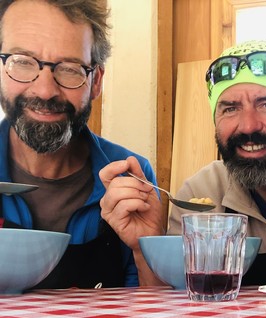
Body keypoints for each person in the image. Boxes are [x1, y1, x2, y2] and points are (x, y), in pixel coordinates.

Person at [101, 40, 266, 285]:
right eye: (230, 109)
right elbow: (172, 306)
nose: (248, 125)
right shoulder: (200, 193)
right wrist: (144, 246)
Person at [0, 0, 163, 288]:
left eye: (70, 69)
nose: (45, 90)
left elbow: (152, 316)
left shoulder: (131, 176)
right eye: (22, 62)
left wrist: (146, 248)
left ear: (96, 81)